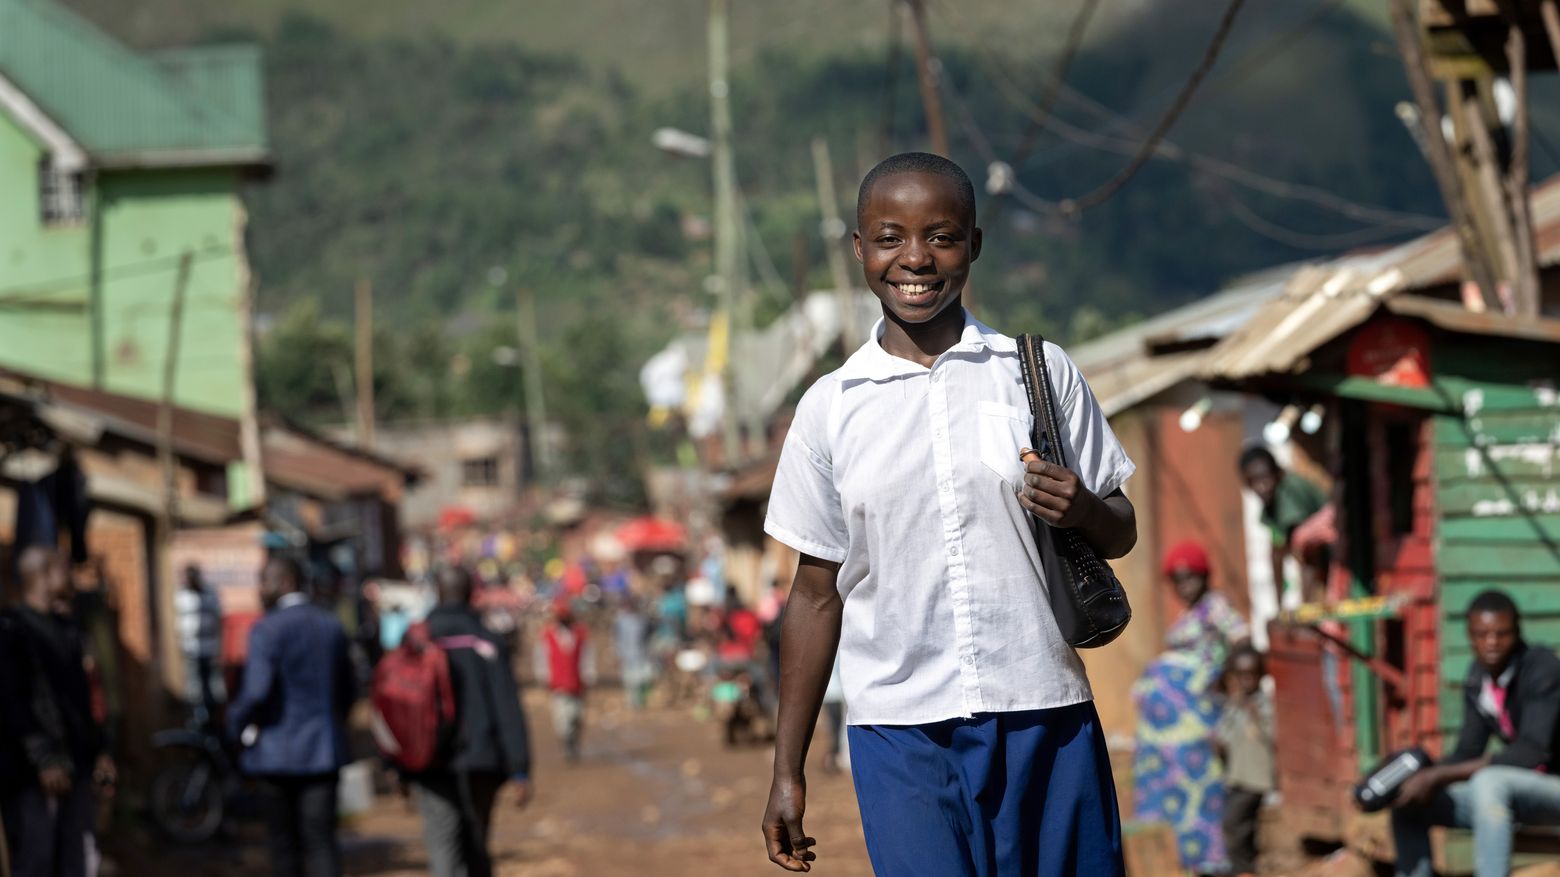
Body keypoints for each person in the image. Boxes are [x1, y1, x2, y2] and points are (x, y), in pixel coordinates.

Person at [761, 153, 1137, 876]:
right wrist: (788, 767)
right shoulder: (830, 408)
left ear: (975, 244)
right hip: (899, 732)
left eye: (942, 236)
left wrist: (1084, 505)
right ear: (860, 249)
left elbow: (1122, 528)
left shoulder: (1038, 373)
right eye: (890, 236)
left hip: (1042, 709)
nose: (915, 258)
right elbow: (813, 594)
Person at [1390, 590, 1560, 877]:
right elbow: (1467, 752)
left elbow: (1531, 753)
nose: (1491, 643)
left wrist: (1437, 776)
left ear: (1517, 632)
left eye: (1501, 634)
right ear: (1470, 635)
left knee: (1489, 782)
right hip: (1518, 796)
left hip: (1551, 788)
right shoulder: (1479, 678)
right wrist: (1416, 778)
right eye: (1482, 635)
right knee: (1411, 803)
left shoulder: (1543, 668)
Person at [229, 557, 355, 877]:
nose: (261, 589)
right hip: (324, 752)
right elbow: (349, 690)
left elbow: (256, 692)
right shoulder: (331, 625)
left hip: (276, 754)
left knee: (284, 846)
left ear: (286, 582)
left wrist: (235, 726)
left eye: (265, 581)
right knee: (322, 842)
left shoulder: (267, 629)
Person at [1131, 540, 1248, 875]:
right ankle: (1187, 857)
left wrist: (1222, 678)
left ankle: (1210, 857)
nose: (1184, 585)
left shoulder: (1215, 606)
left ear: (1204, 575)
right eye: (1177, 578)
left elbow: (1241, 639)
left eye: (1190, 576)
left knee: (1199, 782)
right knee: (1174, 784)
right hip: (1169, 730)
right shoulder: (1189, 614)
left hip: (1195, 718)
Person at [0, 547, 115, 877]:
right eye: (65, 569)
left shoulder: (68, 629)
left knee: (77, 858)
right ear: (43, 574)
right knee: (37, 857)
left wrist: (101, 751)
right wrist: (44, 757)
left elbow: (85, 700)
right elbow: (12, 702)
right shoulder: (13, 630)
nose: (72, 577)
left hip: (77, 764)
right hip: (35, 775)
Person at [410, 567, 532, 877]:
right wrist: (519, 767)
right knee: (476, 839)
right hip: (482, 759)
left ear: (437, 593)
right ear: (471, 595)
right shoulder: (486, 641)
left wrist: (394, 764)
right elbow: (507, 706)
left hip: (430, 758)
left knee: (442, 842)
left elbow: (399, 702)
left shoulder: (417, 640)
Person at [1238, 445, 1327, 604]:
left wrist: (1304, 612)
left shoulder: (1289, 492)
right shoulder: (1271, 503)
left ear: (1277, 473)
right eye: (1254, 481)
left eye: (1265, 478)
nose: (1262, 486)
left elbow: (1306, 553)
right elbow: (1276, 550)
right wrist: (1280, 607)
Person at [1214, 645, 1274, 877]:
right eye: (1242, 675)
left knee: (1234, 824)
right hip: (1236, 776)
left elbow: (1274, 735)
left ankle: (1244, 872)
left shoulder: (1265, 705)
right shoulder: (1235, 704)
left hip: (1255, 779)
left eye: (1252, 674)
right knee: (1239, 829)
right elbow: (1225, 737)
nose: (1247, 680)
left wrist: (1255, 715)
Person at [175, 564, 225, 724]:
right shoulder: (180, 595)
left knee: (214, 688)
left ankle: (215, 718)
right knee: (194, 689)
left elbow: (219, 620)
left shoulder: (210, 593)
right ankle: (197, 718)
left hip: (210, 648)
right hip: (191, 650)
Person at [540, 601, 588, 763]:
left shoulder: (580, 634)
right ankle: (568, 745)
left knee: (577, 717)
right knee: (562, 721)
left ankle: (574, 743)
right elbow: (542, 658)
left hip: (577, 683)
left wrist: (588, 676)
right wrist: (544, 677)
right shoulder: (548, 635)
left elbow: (587, 657)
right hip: (558, 685)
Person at [612, 594, 652, 709]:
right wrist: (617, 654)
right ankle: (633, 704)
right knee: (630, 682)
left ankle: (641, 701)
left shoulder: (643, 620)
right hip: (626, 656)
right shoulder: (620, 621)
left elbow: (648, 637)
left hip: (642, 654)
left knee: (643, 679)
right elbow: (616, 639)